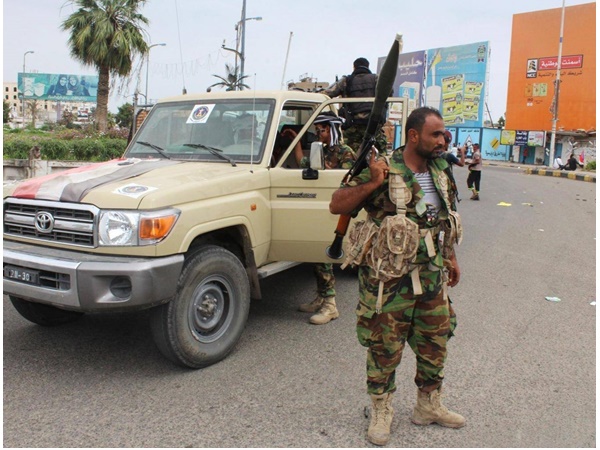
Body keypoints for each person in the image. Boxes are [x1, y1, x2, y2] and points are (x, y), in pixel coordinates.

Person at [329, 106, 465, 445]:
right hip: (389, 280)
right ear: (414, 135)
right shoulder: (385, 169)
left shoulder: (441, 169)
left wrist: (450, 257)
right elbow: (337, 204)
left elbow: (442, 218)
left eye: (444, 133)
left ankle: (428, 405)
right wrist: (373, 182)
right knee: (384, 346)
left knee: (435, 342)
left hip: (431, 275)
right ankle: (380, 410)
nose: (443, 140)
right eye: (436, 134)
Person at [296, 112, 357, 325]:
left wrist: (331, 172)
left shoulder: (345, 152)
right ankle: (321, 297)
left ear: (331, 128)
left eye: (321, 129)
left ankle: (330, 305)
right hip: (321, 206)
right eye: (316, 130)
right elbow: (302, 162)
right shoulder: (320, 150)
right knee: (316, 254)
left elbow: (350, 181)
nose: (318, 133)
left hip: (337, 210)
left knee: (324, 256)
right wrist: (296, 140)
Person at [324, 57, 387, 153]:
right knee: (380, 154)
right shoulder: (377, 79)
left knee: (346, 153)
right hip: (374, 126)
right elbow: (389, 92)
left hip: (353, 127)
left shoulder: (346, 80)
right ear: (368, 66)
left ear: (354, 67)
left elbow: (328, 93)